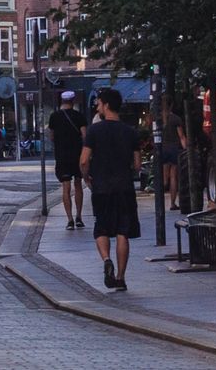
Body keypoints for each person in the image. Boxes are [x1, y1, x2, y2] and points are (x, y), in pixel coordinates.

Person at [78, 87, 142, 291]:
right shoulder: (130, 132)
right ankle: (121, 278)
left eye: (98, 103)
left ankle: (106, 259)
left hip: (102, 188)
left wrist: (87, 176)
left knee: (102, 228)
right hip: (124, 187)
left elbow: (84, 159)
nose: (97, 106)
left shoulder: (95, 131)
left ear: (106, 105)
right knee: (123, 231)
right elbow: (138, 164)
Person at [48, 90, 87, 230]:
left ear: (62, 101)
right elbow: (84, 135)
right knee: (78, 185)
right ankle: (79, 217)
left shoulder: (54, 117)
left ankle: (69, 219)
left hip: (62, 156)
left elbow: (51, 136)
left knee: (66, 187)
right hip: (77, 154)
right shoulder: (79, 116)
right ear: (73, 101)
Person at [159, 105, 187, 212]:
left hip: (162, 148)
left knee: (164, 178)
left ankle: (160, 202)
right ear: (171, 105)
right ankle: (172, 203)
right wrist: (186, 149)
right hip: (174, 148)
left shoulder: (158, 118)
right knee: (173, 177)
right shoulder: (176, 119)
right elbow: (181, 136)